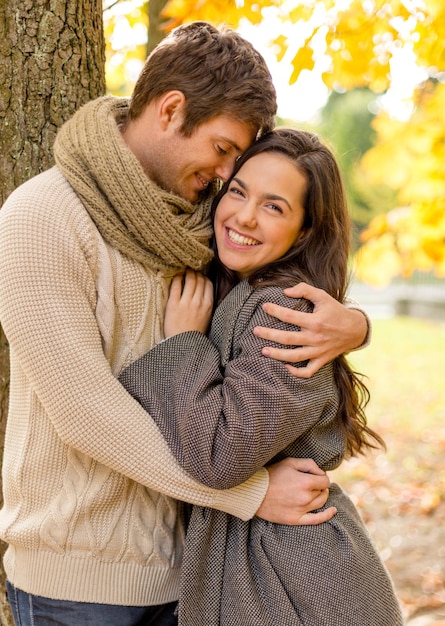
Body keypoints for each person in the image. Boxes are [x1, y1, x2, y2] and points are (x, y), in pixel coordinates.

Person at [0, 22, 368, 626]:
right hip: (80, 582)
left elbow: (283, 266)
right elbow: (85, 412)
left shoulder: (200, 220)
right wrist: (249, 494)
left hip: (194, 573)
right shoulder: (43, 217)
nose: (227, 176)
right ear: (172, 110)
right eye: (224, 149)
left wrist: (354, 324)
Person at [119, 128, 404, 625]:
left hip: (291, 577)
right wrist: (359, 326)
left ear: (306, 230)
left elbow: (220, 456)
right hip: (267, 560)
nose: (245, 216)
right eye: (238, 191)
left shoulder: (284, 309)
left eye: (274, 207)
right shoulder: (241, 286)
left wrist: (183, 344)